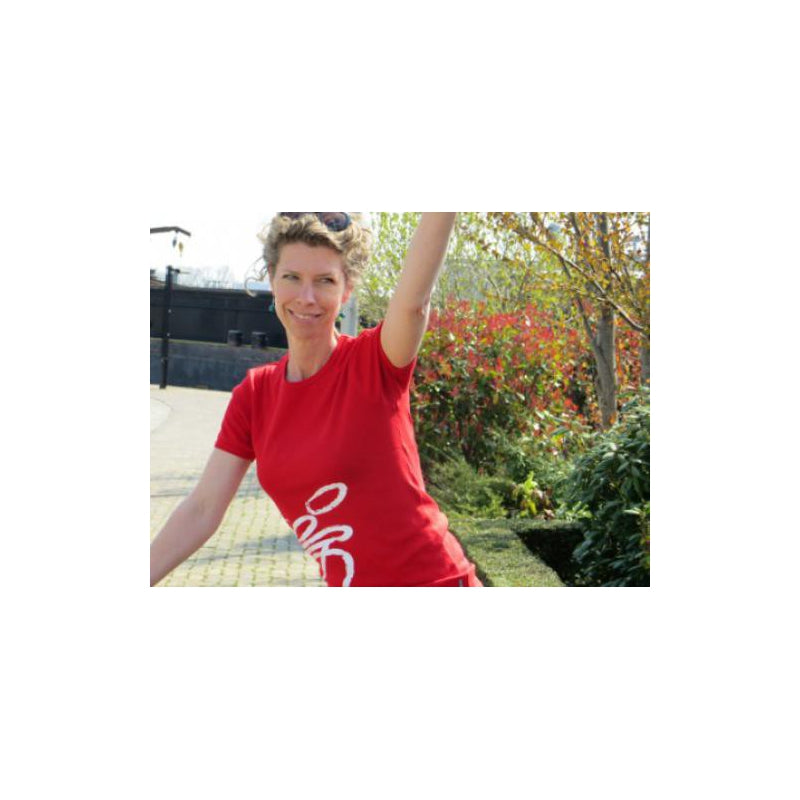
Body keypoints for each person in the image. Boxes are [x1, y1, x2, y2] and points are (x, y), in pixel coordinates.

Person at [150, 212, 482, 587]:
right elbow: (202, 509)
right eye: (292, 277)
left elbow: (413, 305)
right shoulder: (255, 396)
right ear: (272, 279)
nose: (306, 297)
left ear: (346, 290)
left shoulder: (375, 362)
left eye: (325, 280)